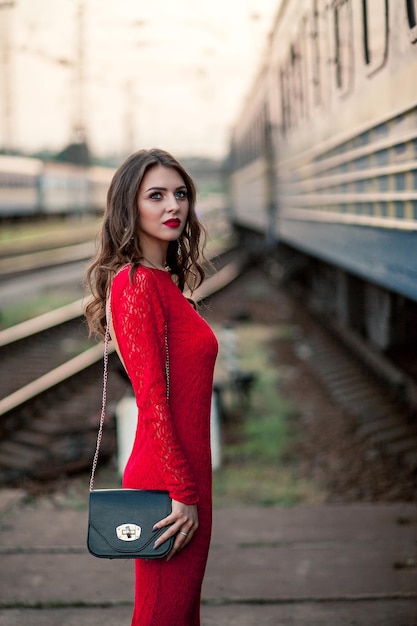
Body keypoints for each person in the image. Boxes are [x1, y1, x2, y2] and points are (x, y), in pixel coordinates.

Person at [84, 148, 218, 626]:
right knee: (162, 615)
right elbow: (152, 402)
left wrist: (192, 487)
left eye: (180, 194)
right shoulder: (136, 285)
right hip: (169, 481)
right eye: (156, 195)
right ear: (129, 206)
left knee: (181, 614)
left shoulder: (163, 282)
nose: (173, 206)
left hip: (186, 476)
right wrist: (182, 491)